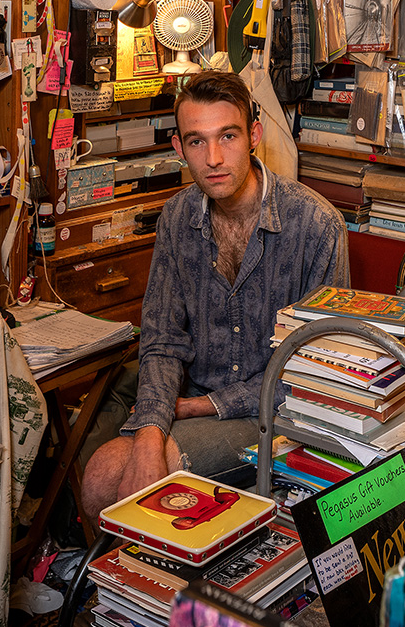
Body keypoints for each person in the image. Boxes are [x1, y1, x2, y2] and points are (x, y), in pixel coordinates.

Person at [82, 70, 349, 523]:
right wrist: (152, 429)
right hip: (191, 391)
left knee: (116, 478)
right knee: (96, 470)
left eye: (227, 136)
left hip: (272, 411)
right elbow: (163, 338)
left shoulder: (317, 226)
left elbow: (310, 376)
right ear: (179, 148)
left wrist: (195, 409)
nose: (214, 158)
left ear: (254, 136)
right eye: (197, 142)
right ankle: (125, 588)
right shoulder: (177, 216)